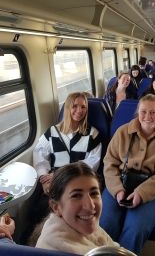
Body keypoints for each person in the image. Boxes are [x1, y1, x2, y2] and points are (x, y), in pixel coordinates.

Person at [100, 94, 155, 254]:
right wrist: (117, 190)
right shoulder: (123, 132)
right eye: (143, 112)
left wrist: (142, 193)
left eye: (153, 113)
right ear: (138, 112)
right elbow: (110, 162)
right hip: (118, 182)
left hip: (149, 187)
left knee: (136, 229)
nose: (147, 117)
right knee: (105, 224)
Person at [25, 92, 102, 244]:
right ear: (67, 108)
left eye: (83, 107)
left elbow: (92, 163)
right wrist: (44, 179)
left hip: (78, 181)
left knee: (57, 212)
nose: (79, 111)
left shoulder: (92, 134)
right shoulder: (52, 132)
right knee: (37, 209)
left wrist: (59, 175)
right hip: (51, 181)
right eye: (75, 106)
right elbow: (40, 155)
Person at [35, 162, 118, 254]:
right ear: (56, 207)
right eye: (76, 195)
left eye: (94, 193)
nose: (90, 205)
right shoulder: (60, 248)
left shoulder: (77, 225)